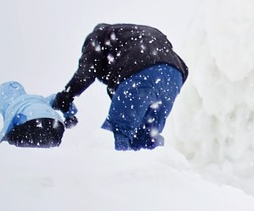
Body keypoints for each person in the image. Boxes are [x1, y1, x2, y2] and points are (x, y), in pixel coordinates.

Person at [51, 23, 188, 151]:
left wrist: (66, 96)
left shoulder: (99, 36)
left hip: (140, 69)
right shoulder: (134, 35)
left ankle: (109, 173)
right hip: (174, 75)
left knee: (116, 133)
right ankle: (152, 174)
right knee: (147, 137)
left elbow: (86, 72)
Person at [0, 81, 72, 148]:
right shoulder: (38, 100)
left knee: (10, 139)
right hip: (56, 124)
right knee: (49, 143)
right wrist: (70, 114)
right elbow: (58, 98)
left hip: (32, 124)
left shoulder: (13, 106)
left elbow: (6, 128)